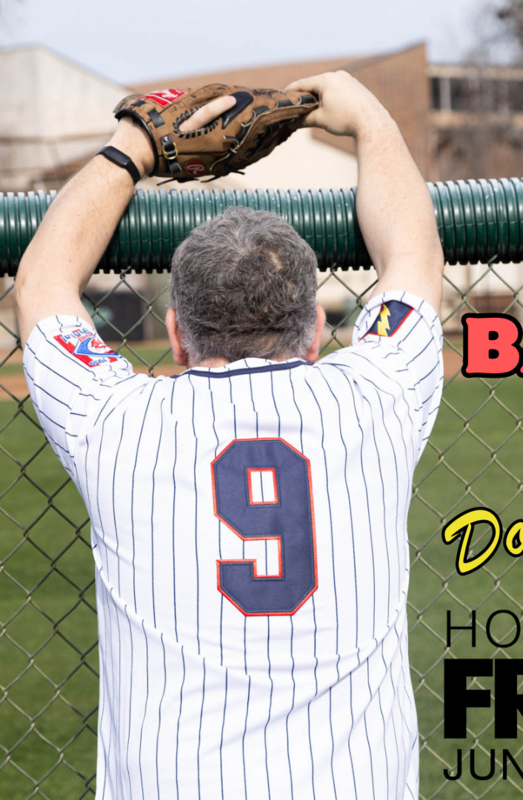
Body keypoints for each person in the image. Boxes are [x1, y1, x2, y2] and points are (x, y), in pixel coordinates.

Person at [15, 71, 444, 800]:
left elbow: (43, 280)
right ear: (314, 330)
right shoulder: (379, 398)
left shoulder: (115, 424)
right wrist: (370, 119)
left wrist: (132, 148)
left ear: (176, 334)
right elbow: (413, 259)